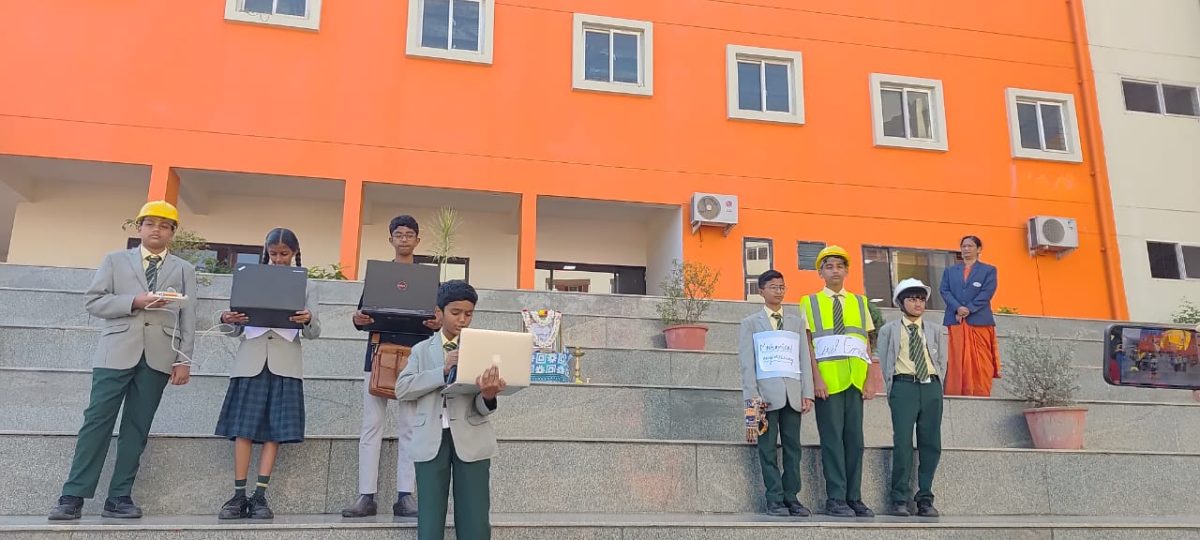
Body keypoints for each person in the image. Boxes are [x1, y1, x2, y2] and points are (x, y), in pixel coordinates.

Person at [48, 201, 197, 520]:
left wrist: (183, 360)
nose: (156, 229)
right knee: (96, 421)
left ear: (172, 232)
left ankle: (119, 497)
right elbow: (93, 301)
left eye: (165, 225)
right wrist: (134, 301)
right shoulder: (115, 260)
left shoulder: (184, 269)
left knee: (137, 427)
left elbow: (188, 316)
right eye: (150, 223)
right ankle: (72, 495)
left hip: (159, 354)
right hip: (115, 351)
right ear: (139, 227)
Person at [215, 228, 320, 519]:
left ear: (294, 253)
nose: (278, 259)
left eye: (284, 254)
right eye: (273, 254)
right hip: (251, 360)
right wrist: (227, 318)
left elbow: (314, 332)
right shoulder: (250, 277)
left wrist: (308, 319)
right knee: (243, 429)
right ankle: (238, 495)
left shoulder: (308, 285)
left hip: (285, 362)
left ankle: (260, 495)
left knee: (275, 430)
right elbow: (233, 328)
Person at [341, 215, 440, 518]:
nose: (404, 239)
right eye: (399, 234)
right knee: (371, 425)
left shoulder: (428, 279)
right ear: (391, 239)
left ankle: (405, 496)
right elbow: (363, 315)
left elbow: (438, 318)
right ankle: (366, 496)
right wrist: (357, 319)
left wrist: (437, 322)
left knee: (410, 426)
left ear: (417, 240)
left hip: (415, 355)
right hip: (378, 351)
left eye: (410, 234)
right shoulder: (379, 275)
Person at [395, 280, 506, 540]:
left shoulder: (482, 349)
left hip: (472, 437)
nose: (462, 320)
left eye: (469, 314)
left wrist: (488, 395)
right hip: (431, 438)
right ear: (439, 312)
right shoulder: (422, 350)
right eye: (455, 313)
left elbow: (482, 407)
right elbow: (402, 389)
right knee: (430, 518)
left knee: (475, 517)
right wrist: (442, 371)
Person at [798, 246, 880, 518]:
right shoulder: (809, 302)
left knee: (855, 441)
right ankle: (835, 498)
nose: (835, 270)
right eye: (829, 266)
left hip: (855, 380)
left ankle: (854, 497)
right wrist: (816, 378)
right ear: (820, 272)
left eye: (839, 266)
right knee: (832, 441)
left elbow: (866, 342)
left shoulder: (859, 302)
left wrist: (870, 378)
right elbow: (808, 344)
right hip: (828, 382)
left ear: (846, 271)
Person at [738, 270, 815, 517]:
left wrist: (807, 392)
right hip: (764, 399)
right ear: (761, 291)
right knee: (767, 449)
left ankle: (791, 496)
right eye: (773, 287)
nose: (778, 291)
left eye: (781, 287)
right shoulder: (750, 323)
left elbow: (804, 358)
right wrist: (752, 398)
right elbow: (747, 363)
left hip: (792, 395)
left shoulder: (796, 323)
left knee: (793, 448)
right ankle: (774, 498)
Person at [878, 278, 947, 518]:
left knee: (931, 443)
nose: (917, 303)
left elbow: (942, 361)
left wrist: (937, 385)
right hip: (904, 385)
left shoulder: (935, 330)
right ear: (901, 302)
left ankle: (925, 498)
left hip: (931, 387)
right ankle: (899, 498)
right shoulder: (889, 330)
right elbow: (885, 362)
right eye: (912, 299)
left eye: (921, 299)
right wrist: (894, 389)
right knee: (903, 443)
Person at [939, 235, 1001, 396]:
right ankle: (956, 392)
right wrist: (958, 308)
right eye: (964, 246)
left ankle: (980, 392)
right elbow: (944, 291)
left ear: (979, 249)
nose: (966, 249)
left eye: (970, 246)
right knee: (957, 358)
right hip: (956, 320)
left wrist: (969, 309)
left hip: (979, 321)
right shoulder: (950, 271)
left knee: (981, 360)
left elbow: (987, 292)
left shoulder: (988, 270)